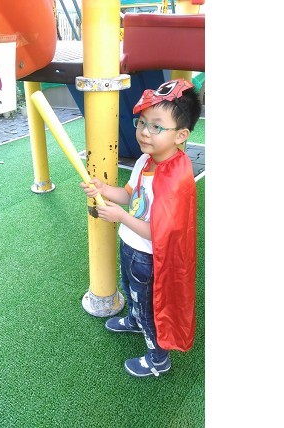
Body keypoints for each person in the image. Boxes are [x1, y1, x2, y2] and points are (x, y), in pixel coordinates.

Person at [80, 78, 202, 377]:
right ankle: (134, 321)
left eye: (156, 126)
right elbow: (129, 195)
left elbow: (159, 233)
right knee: (131, 291)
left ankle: (158, 359)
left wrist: (121, 217)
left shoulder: (175, 179)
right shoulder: (146, 161)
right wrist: (103, 189)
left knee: (148, 307)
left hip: (147, 256)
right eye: (142, 123)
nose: (145, 132)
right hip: (131, 246)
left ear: (181, 135)